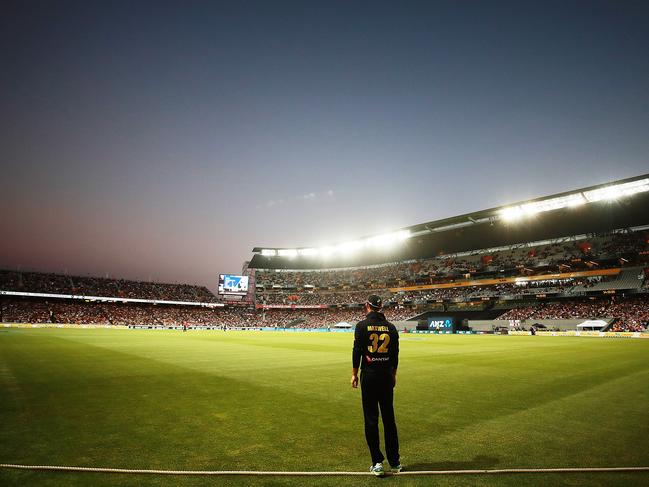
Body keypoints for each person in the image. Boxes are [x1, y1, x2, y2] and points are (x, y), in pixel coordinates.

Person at [351, 294, 401, 476]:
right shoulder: (391, 327)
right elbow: (395, 354)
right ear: (380, 307)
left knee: (371, 419)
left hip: (369, 376)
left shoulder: (361, 326)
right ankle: (395, 462)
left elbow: (357, 351)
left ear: (367, 306)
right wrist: (393, 375)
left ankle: (377, 462)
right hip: (386, 376)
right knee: (389, 419)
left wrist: (354, 374)